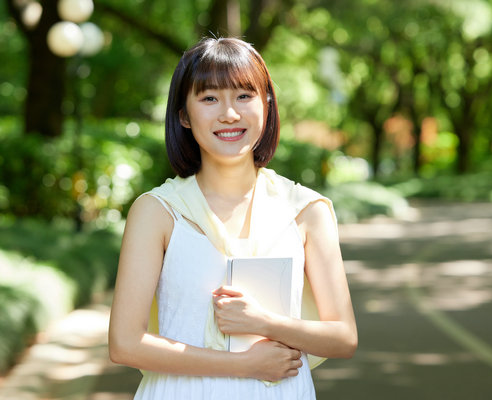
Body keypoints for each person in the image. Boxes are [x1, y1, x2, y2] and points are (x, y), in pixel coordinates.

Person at [108, 37, 357, 399]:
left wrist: (264, 322)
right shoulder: (158, 211)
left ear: (267, 105)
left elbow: (344, 337)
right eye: (209, 98)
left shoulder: (305, 210)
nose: (229, 113)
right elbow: (124, 344)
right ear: (183, 115)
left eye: (244, 96)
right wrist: (243, 365)